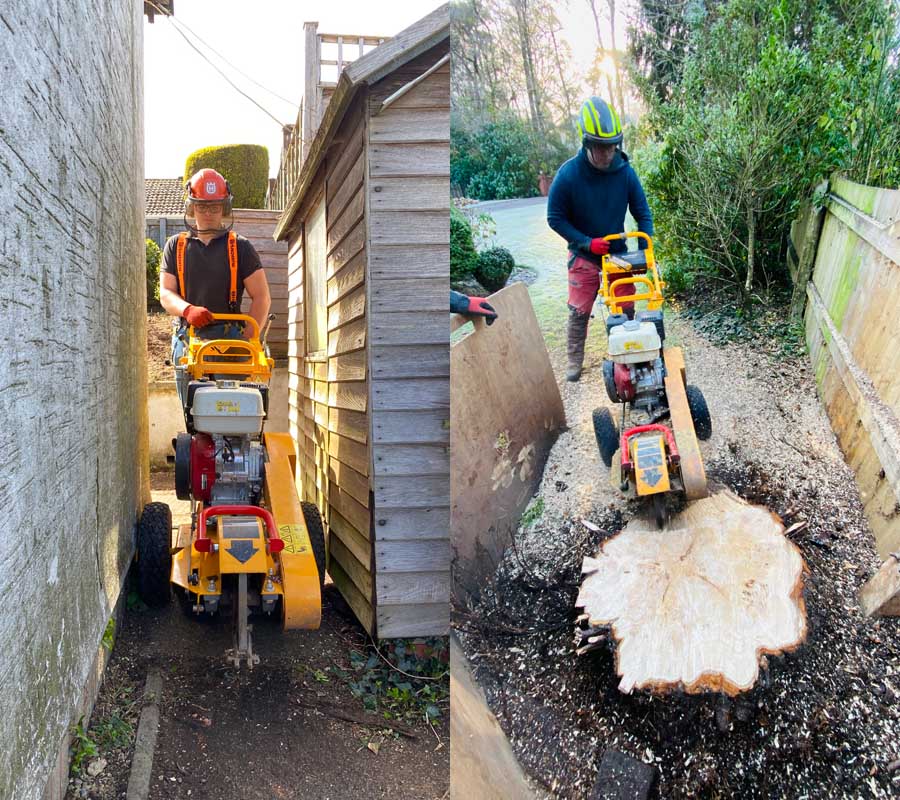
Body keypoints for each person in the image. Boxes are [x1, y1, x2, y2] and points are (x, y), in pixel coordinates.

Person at [547, 96, 654, 382]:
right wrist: (585, 242)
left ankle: (630, 358)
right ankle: (574, 361)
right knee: (579, 310)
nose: (607, 154)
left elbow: (643, 214)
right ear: (587, 143)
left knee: (627, 306)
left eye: (611, 147)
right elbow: (555, 218)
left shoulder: (625, 173)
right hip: (585, 254)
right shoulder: (568, 175)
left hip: (618, 253)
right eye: (600, 148)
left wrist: (646, 250)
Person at [159, 168, 271, 410]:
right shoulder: (175, 246)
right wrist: (187, 310)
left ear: (224, 207)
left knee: (233, 409)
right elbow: (166, 293)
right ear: (191, 207)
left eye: (214, 207)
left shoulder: (240, 247)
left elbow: (261, 296)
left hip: (231, 339)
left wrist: (250, 337)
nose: (208, 213)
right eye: (202, 206)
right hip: (190, 337)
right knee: (194, 411)